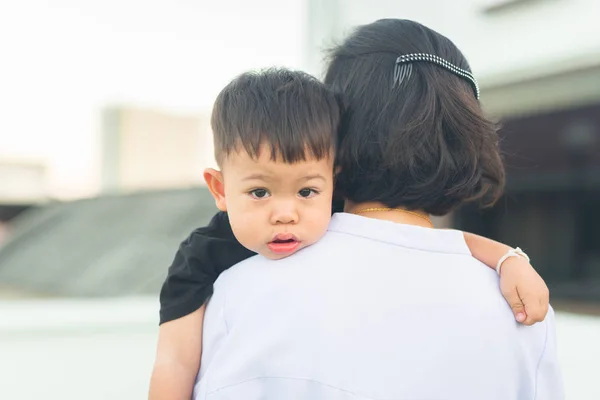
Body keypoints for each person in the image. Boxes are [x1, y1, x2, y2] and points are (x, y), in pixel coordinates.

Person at [148, 26, 553, 400]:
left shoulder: (236, 293)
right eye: (260, 192)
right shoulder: (524, 311)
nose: (284, 213)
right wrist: (508, 259)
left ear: (338, 138)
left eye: (305, 190)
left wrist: (506, 257)